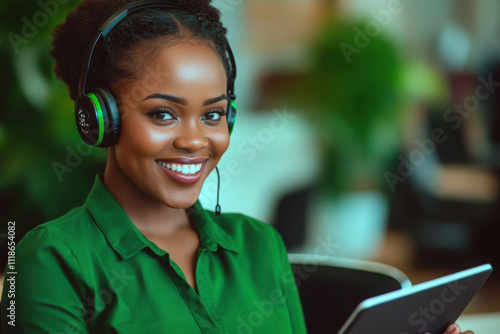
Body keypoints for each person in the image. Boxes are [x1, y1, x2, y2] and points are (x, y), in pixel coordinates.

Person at [0, 1, 475, 333]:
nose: (194, 141)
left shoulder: (259, 245)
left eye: (212, 114)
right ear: (100, 119)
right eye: (163, 113)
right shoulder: (48, 259)